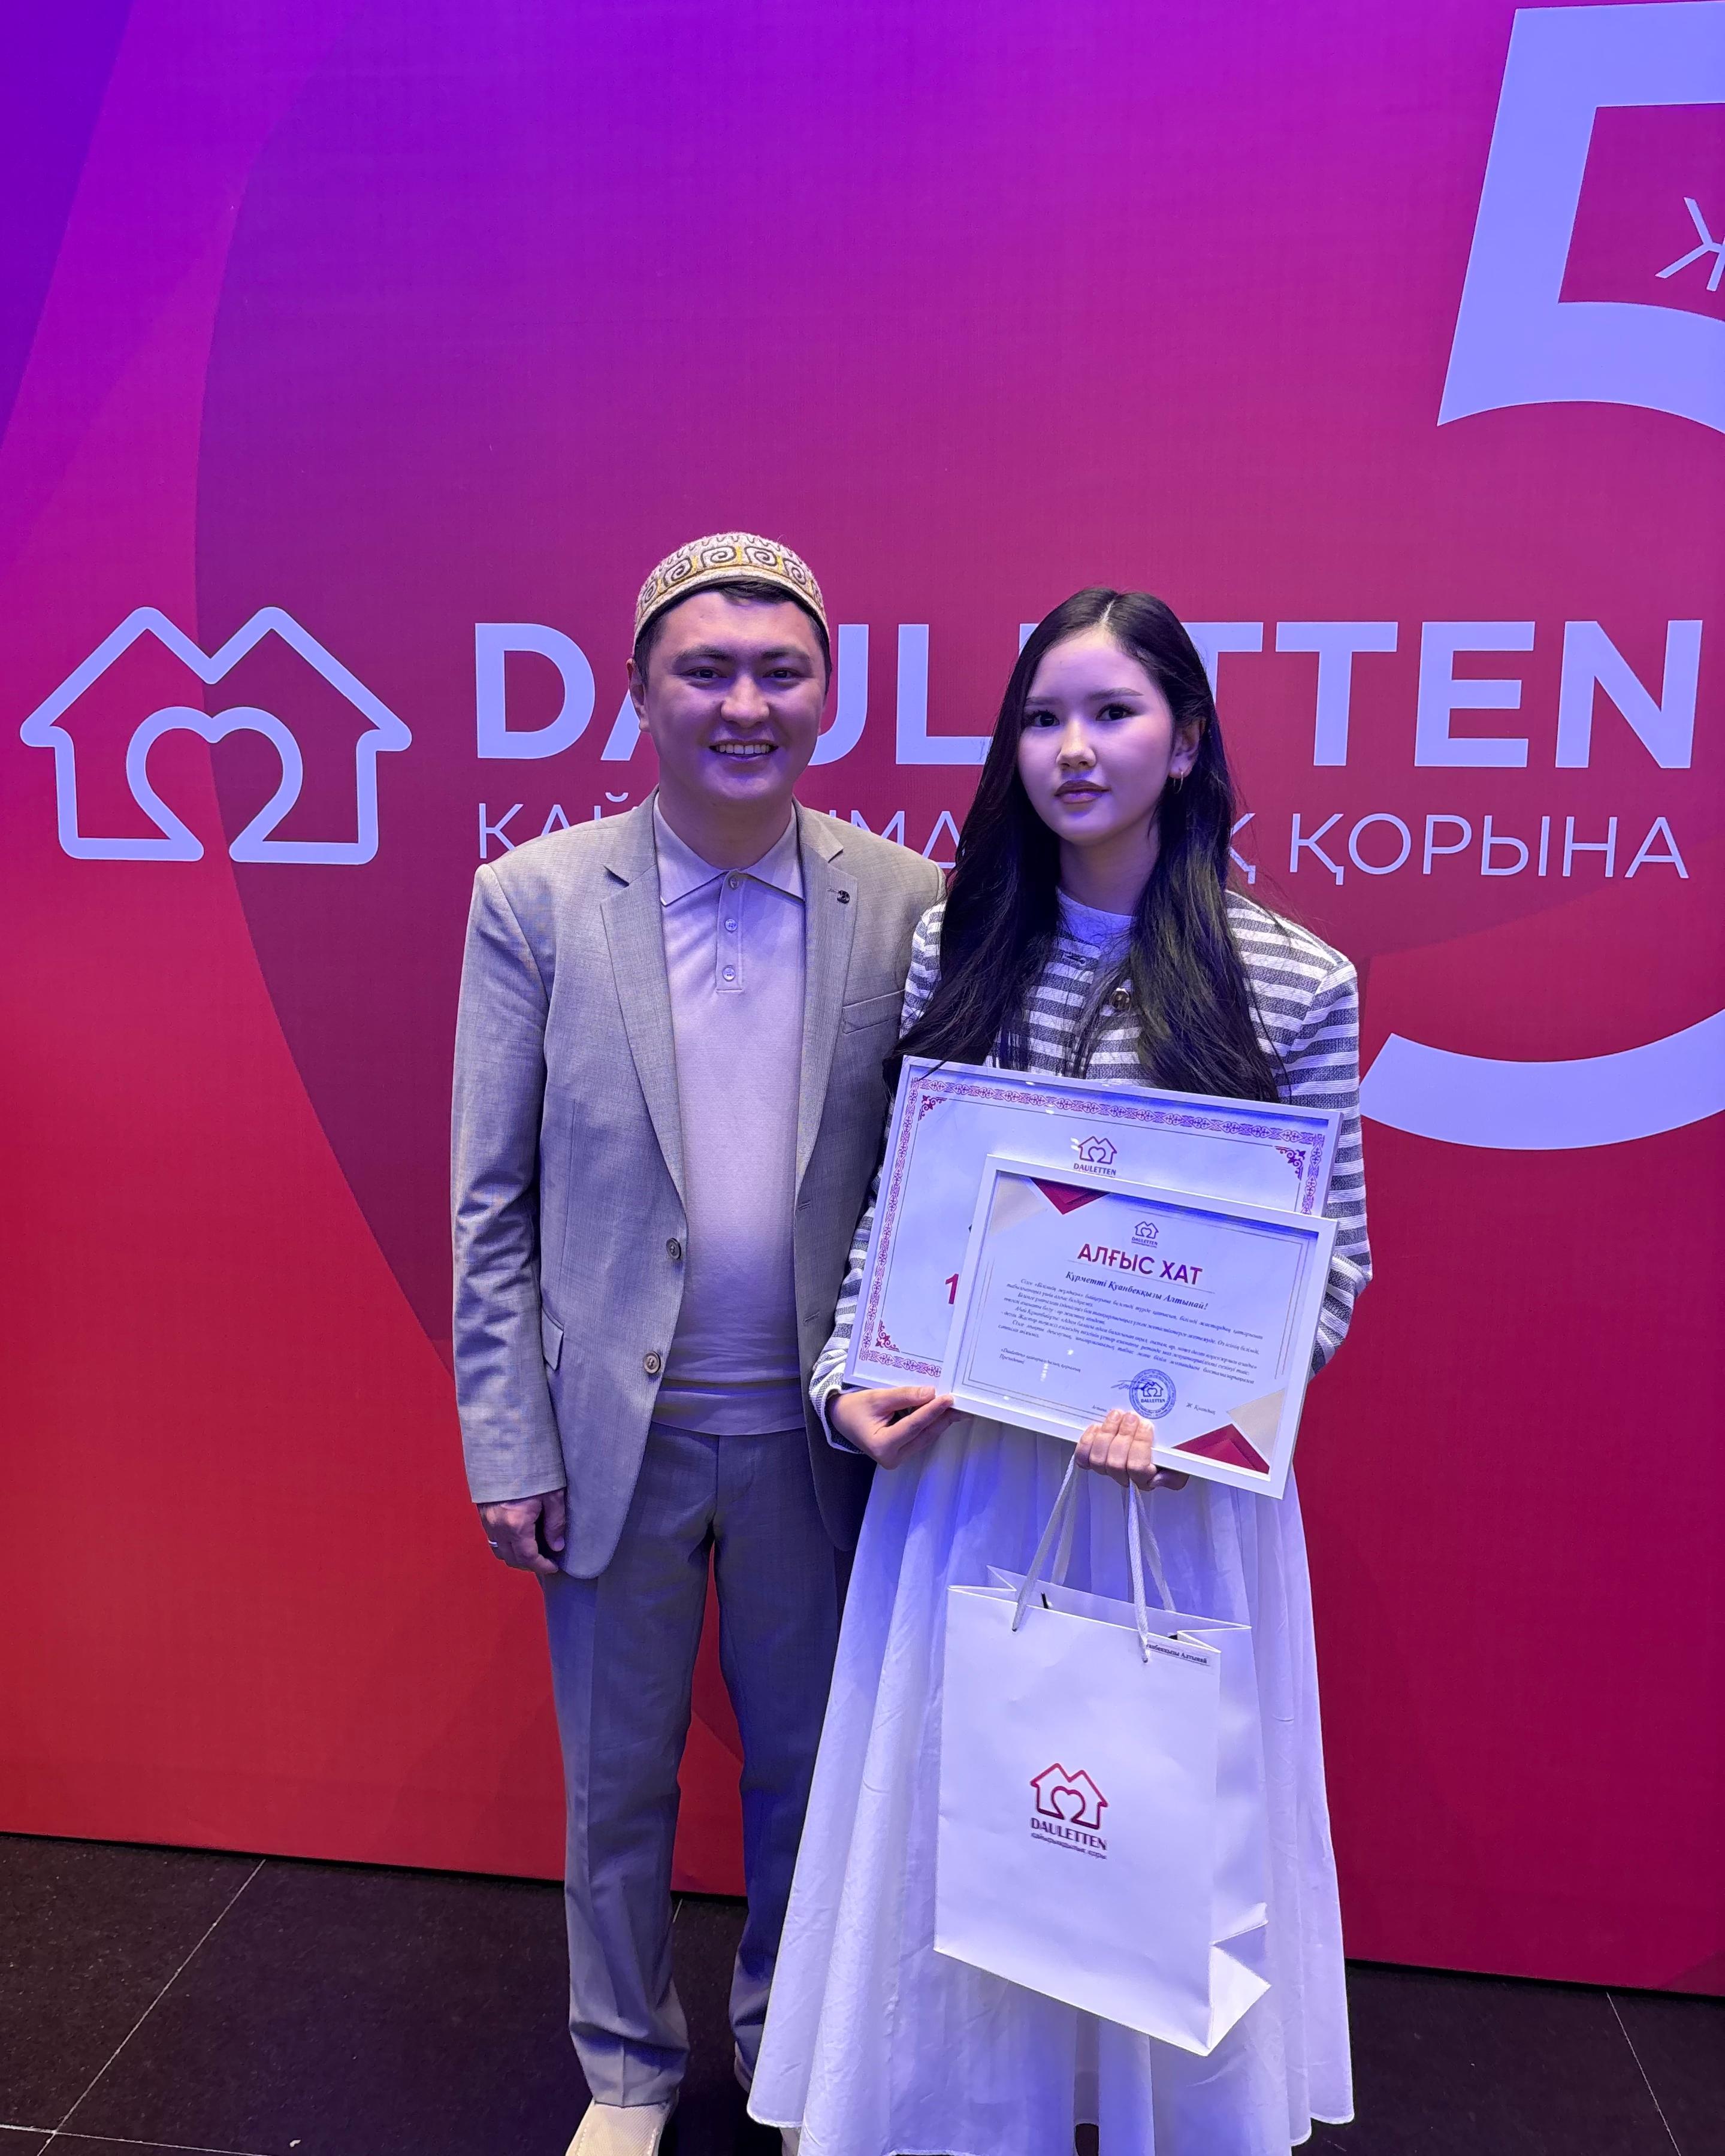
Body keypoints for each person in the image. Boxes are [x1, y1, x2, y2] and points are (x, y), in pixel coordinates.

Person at [748, 587, 1371, 2156]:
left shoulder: (1294, 978)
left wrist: (1196, 1419)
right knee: (969, 1815)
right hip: (971, 1471)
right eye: (1042, 718)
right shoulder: (958, 945)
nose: (1073, 750)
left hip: (1171, 1495)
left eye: (1111, 713)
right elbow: (904, 1202)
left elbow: (1332, 1267)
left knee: (1151, 1824)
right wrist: (849, 1375)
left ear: (1187, 740)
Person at [451, 533, 944, 2156]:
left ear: (829, 693)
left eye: (779, 673)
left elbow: (939, 1168)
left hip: (820, 1433)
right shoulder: (534, 902)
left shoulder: (906, 901)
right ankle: (625, 2073)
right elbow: (490, 1199)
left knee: (812, 1775)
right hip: (615, 1433)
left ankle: (790, 2060)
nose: (746, 705)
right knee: (618, 1786)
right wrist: (508, 1438)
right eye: (707, 671)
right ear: (639, 691)